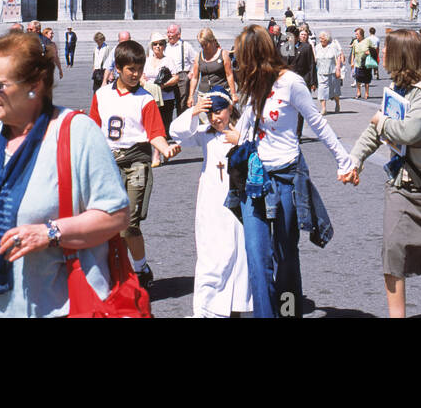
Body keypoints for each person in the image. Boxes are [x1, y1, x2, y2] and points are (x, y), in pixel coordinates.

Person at [0, 32, 130, 317]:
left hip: (55, 308)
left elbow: (116, 215)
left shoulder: (78, 133)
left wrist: (50, 233)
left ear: (35, 86)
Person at [226, 25, 353, 318]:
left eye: (242, 58)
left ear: (255, 57)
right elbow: (246, 126)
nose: (238, 64)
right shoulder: (252, 86)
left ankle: (289, 313)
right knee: (258, 260)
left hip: (286, 178)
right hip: (254, 181)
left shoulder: (291, 83)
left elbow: (318, 123)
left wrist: (343, 161)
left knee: (285, 257)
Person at [345, 28, 421, 318]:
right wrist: (354, 160)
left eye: (386, 51)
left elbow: (409, 131)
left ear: (401, 55)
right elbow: (373, 130)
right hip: (400, 183)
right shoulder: (396, 89)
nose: (381, 55)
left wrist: (382, 122)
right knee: (393, 252)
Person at [90, 39, 181, 287]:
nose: (136, 74)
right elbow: (94, 130)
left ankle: (141, 269)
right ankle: (119, 271)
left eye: (139, 69)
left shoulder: (145, 99)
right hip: (109, 163)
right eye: (131, 69)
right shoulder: (101, 95)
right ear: (118, 68)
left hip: (136, 160)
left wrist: (165, 148)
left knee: (128, 224)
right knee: (110, 223)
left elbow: (155, 133)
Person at [169, 90, 253, 317]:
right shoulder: (205, 134)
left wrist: (243, 140)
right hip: (210, 204)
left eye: (220, 111)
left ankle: (234, 306)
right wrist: (194, 111)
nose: (216, 118)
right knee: (210, 255)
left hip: (237, 203)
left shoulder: (243, 131)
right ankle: (205, 310)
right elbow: (176, 132)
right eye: (211, 113)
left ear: (230, 109)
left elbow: (260, 150)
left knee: (237, 252)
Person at [189, 26, 235, 108]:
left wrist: (233, 93)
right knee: (204, 119)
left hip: (221, 93)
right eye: (201, 45)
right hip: (204, 95)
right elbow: (194, 78)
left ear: (212, 41)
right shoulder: (198, 56)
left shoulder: (223, 54)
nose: (203, 48)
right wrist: (191, 96)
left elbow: (229, 75)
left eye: (205, 45)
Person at [163, 25, 196, 115]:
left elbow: (195, 61)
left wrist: (191, 73)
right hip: (168, 77)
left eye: (171, 32)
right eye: (168, 32)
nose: (169, 35)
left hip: (182, 76)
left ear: (178, 35)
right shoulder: (165, 46)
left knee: (182, 104)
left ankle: (182, 124)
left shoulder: (186, 46)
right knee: (168, 103)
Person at [314, 30, 344, 113]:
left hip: (332, 72)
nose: (321, 40)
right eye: (320, 38)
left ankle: (337, 103)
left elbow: (338, 57)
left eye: (322, 38)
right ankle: (323, 108)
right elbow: (315, 59)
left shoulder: (333, 46)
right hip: (321, 72)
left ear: (327, 39)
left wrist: (338, 69)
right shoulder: (317, 47)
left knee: (335, 91)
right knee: (322, 90)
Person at [351, 28, 374, 100]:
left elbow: (373, 50)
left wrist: (369, 52)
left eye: (357, 34)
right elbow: (353, 53)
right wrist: (352, 61)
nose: (356, 35)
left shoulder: (368, 41)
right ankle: (358, 93)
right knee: (358, 78)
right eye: (355, 34)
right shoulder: (355, 42)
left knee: (366, 79)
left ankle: (367, 93)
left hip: (366, 63)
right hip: (358, 63)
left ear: (361, 34)